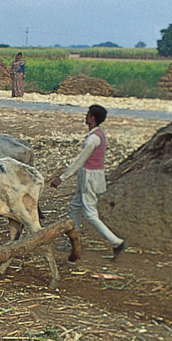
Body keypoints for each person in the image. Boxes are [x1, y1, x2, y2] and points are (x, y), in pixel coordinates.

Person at [51, 104, 127, 259]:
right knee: (74, 207)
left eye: (88, 114)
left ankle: (117, 242)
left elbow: (80, 160)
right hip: (90, 176)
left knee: (90, 214)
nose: (85, 116)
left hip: (90, 177)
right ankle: (74, 241)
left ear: (92, 117)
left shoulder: (93, 138)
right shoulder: (98, 134)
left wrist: (62, 178)